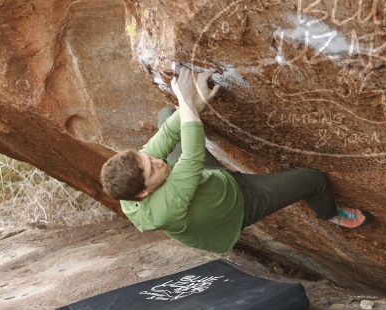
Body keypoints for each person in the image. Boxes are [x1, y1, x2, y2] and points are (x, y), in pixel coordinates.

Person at [99, 66, 371, 253]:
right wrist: (187, 100)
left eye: (147, 157)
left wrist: (197, 102)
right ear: (144, 192)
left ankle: (192, 114)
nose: (155, 160)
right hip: (236, 204)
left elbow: (171, 131)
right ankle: (330, 214)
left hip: (205, 179)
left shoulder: (137, 173)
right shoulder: (162, 208)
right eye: (151, 168)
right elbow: (192, 157)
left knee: (167, 115)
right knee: (313, 180)